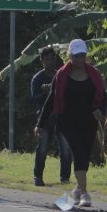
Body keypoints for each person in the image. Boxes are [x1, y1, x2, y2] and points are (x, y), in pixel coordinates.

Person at [36, 39, 107, 208]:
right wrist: (40, 124)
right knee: (78, 152)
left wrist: (101, 111)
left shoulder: (94, 75)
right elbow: (50, 101)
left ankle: (75, 192)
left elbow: (103, 97)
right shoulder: (61, 76)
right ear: (69, 56)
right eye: (76, 56)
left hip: (88, 121)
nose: (79, 59)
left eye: (82, 55)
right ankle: (85, 194)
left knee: (85, 155)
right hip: (67, 121)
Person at [30, 46, 70, 186]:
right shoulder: (37, 78)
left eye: (52, 59)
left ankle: (65, 179)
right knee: (42, 148)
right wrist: (46, 93)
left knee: (66, 149)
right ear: (42, 61)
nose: (50, 62)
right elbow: (34, 99)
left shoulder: (61, 75)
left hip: (61, 116)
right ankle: (38, 176)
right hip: (44, 117)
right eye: (47, 59)